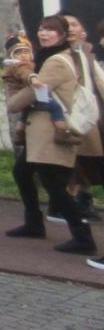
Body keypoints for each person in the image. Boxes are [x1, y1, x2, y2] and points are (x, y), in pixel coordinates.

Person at [7, 15, 97, 254]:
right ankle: (34, 223)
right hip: (42, 130)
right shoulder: (53, 56)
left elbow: (37, 90)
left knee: (54, 185)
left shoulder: (56, 61)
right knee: (23, 172)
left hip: (51, 131)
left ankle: (83, 237)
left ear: (62, 35)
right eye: (41, 29)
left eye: (50, 30)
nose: (43, 33)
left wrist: (13, 103)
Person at [59, 13, 104, 222]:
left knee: (88, 158)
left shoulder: (87, 52)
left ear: (83, 30)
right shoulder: (58, 55)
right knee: (72, 159)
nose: (70, 28)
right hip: (66, 113)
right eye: (66, 25)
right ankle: (69, 203)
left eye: (74, 24)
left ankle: (83, 198)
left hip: (90, 113)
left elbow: (98, 80)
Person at [1, 33, 68, 142]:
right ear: (12, 56)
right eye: (18, 53)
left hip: (20, 99)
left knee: (25, 112)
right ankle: (62, 131)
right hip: (23, 97)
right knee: (55, 106)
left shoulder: (14, 66)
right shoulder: (19, 66)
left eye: (26, 52)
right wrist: (33, 78)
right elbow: (25, 74)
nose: (23, 55)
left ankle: (20, 132)